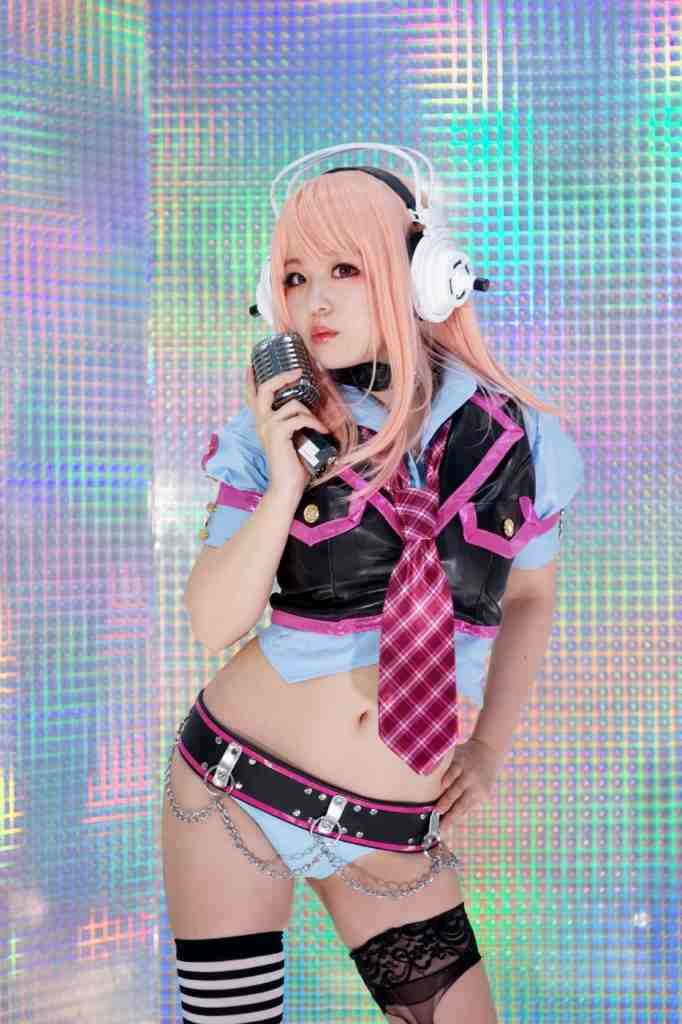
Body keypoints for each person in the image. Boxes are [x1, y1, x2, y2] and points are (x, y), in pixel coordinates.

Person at [161, 146, 585, 1024]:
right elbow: (214, 620)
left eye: (345, 269)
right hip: (236, 789)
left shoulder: (523, 438)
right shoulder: (274, 429)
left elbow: (531, 596)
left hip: (390, 829)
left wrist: (489, 747)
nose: (314, 301)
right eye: (294, 277)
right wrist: (284, 476)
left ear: (425, 274)